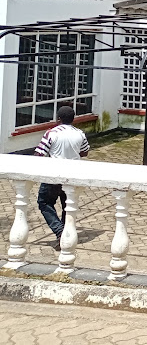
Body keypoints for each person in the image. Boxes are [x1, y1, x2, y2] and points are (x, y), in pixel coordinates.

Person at [34, 106, 89, 250]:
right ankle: (65, 234)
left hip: (54, 175)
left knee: (44, 202)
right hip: (72, 176)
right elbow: (85, 152)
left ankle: (59, 231)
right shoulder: (80, 133)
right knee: (67, 206)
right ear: (73, 119)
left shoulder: (52, 133)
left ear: (59, 119)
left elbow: (39, 154)